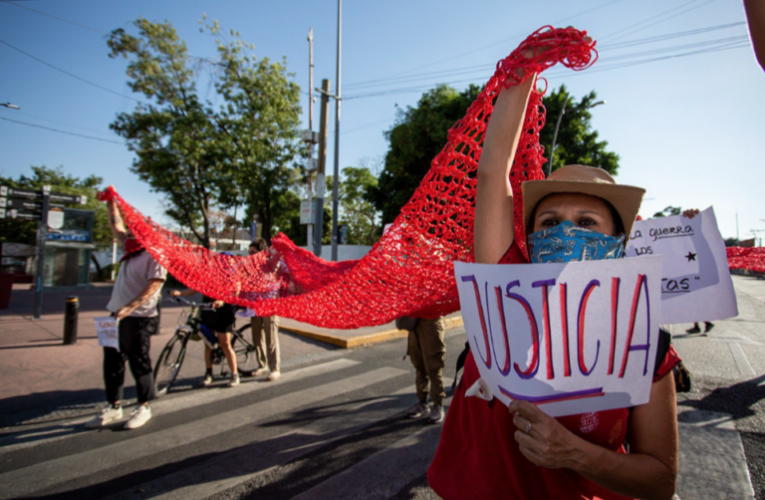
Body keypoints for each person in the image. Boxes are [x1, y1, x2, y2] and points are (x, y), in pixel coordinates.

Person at [427, 34, 680, 500]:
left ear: (615, 242)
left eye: (586, 222)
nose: (565, 234)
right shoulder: (506, 288)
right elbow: (492, 172)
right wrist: (524, 69)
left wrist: (572, 453)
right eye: (550, 222)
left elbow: (661, 480)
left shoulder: (644, 344)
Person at [86, 196, 167, 430]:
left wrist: (129, 307)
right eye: (130, 229)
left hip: (139, 318)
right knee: (112, 362)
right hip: (114, 316)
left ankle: (143, 407)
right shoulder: (129, 249)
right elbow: (116, 226)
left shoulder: (155, 254)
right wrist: (111, 202)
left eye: (135, 230)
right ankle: (113, 405)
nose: (129, 233)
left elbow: (155, 284)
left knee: (139, 362)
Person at [169, 286, 241, 387]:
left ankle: (234, 374)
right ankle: (208, 373)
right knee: (208, 344)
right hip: (208, 310)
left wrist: (222, 300)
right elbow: (196, 287)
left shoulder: (230, 271)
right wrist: (180, 293)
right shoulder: (208, 273)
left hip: (224, 312)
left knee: (225, 344)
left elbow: (236, 289)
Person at [397, 316, 447, 424]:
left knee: (433, 366)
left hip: (431, 321)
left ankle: (438, 404)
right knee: (419, 364)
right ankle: (422, 402)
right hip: (415, 321)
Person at [248, 239, 282, 381]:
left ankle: (275, 368)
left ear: (261, 252)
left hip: (270, 305)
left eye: (252, 252)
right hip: (255, 306)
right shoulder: (250, 267)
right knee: (257, 337)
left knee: (271, 338)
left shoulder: (271, 264)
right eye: (249, 252)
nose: (249, 255)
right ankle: (262, 364)